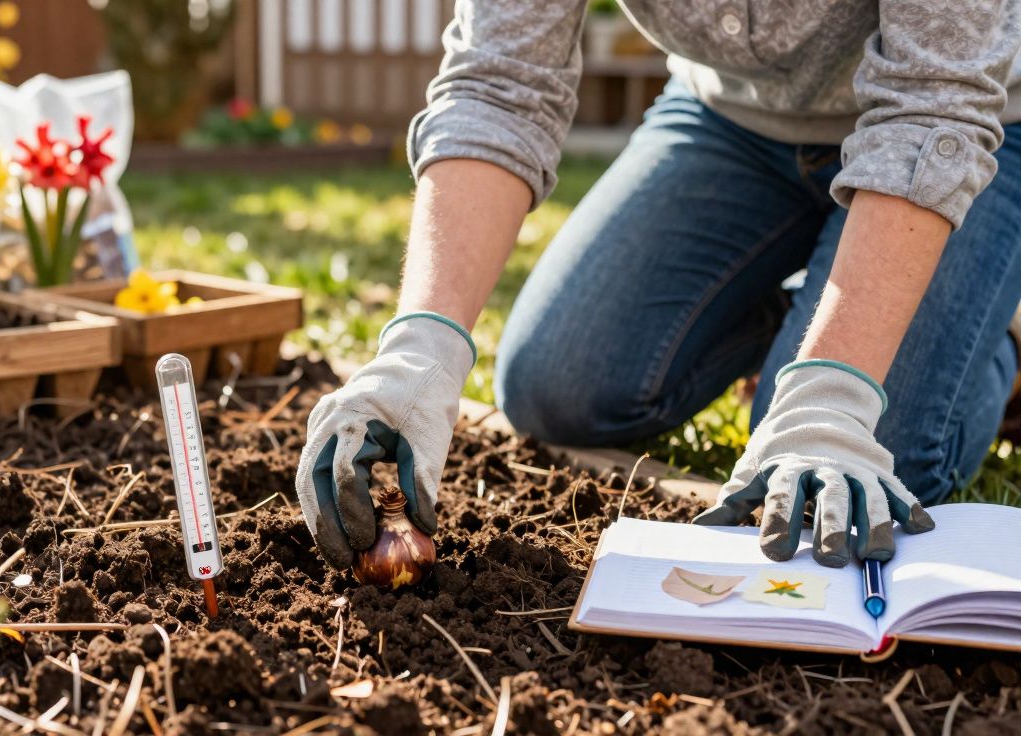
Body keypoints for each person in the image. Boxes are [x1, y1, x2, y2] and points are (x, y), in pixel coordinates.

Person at [296, 1, 1021, 571]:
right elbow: (498, 82)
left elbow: (933, 103)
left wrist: (833, 395)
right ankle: (807, 315)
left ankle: (994, 339)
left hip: (971, 123)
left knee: (871, 443)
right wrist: (420, 344)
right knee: (558, 387)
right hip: (735, 121)